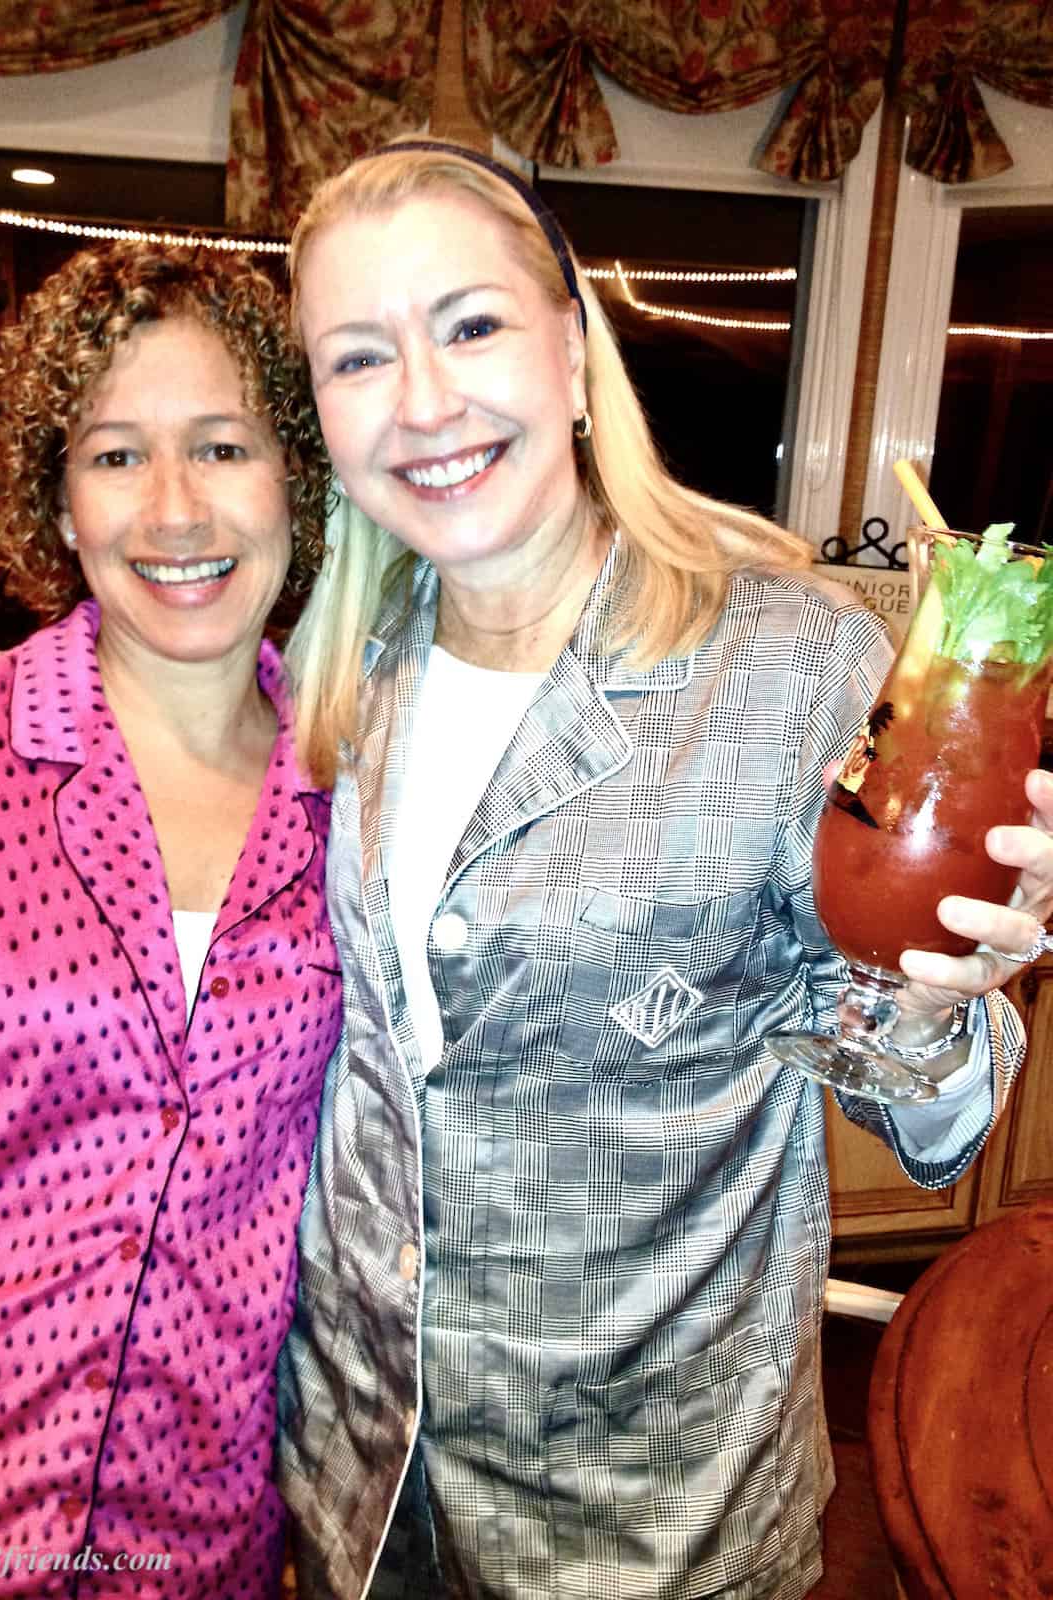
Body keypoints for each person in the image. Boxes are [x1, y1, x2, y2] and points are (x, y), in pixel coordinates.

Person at [274, 140, 1053, 1600]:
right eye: (359, 358)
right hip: (360, 1474)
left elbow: (933, 1114)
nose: (425, 402)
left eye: (473, 326)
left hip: (645, 1514)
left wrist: (952, 990)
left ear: (574, 353)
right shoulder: (333, 674)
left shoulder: (784, 661)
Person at [0, 241, 341, 1597]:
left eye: (225, 448)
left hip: (197, 1532)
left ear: (296, 479)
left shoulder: (360, 800)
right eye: (116, 456)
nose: (174, 510)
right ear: (57, 505)